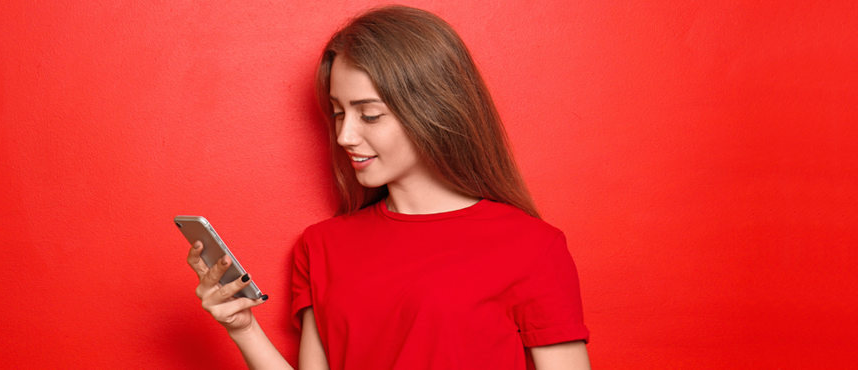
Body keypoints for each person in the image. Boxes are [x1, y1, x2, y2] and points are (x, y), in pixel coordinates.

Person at [184, 5, 591, 370]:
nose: (344, 135)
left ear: (434, 109)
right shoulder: (322, 246)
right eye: (339, 113)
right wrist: (243, 329)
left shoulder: (533, 247)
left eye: (370, 115)